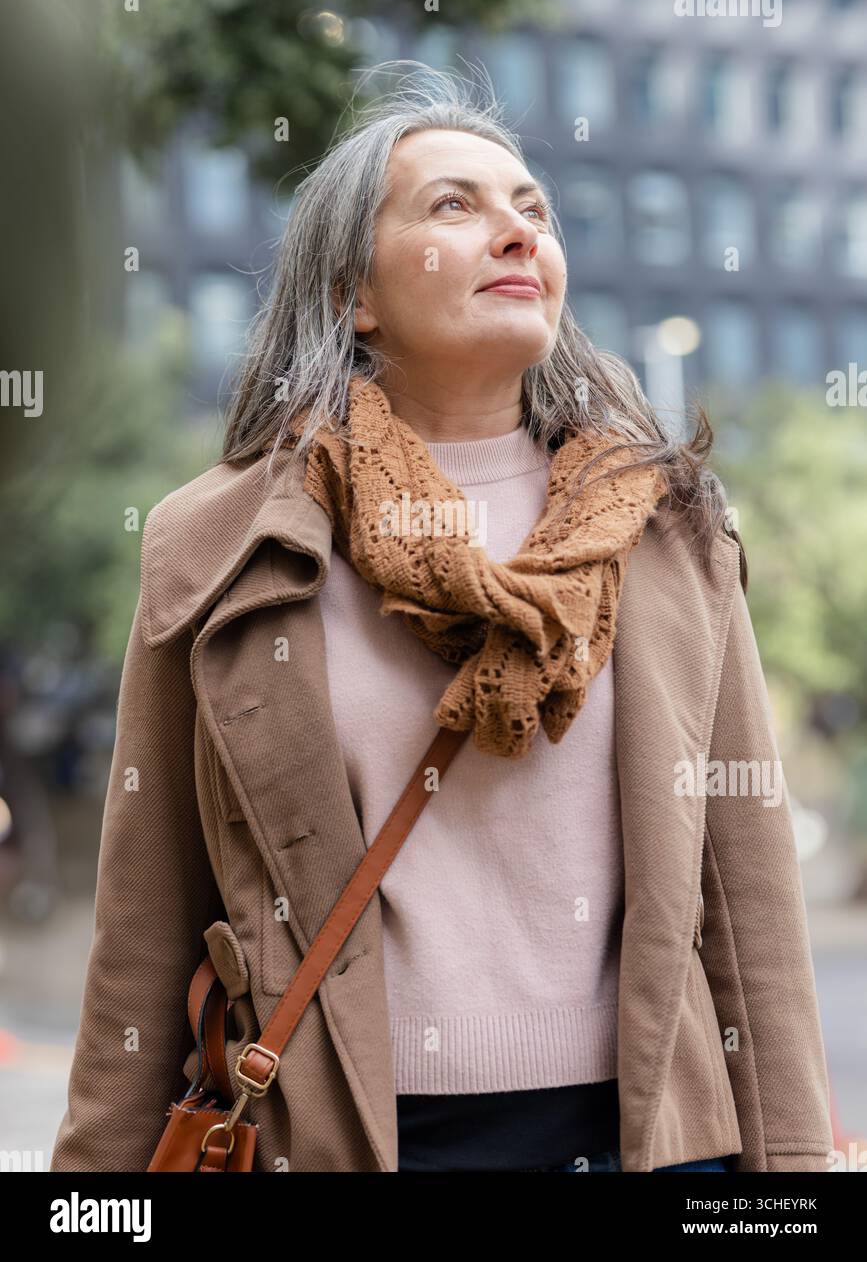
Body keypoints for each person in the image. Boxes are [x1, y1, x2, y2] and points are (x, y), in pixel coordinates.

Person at [51, 62, 833, 1174]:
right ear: (351, 295)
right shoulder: (222, 543)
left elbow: (753, 916)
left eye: (533, 211)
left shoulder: (667, 530)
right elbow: (142, 932)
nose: (517, 234)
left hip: (641, 1142)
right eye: (454, 207)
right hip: (331, 1139)